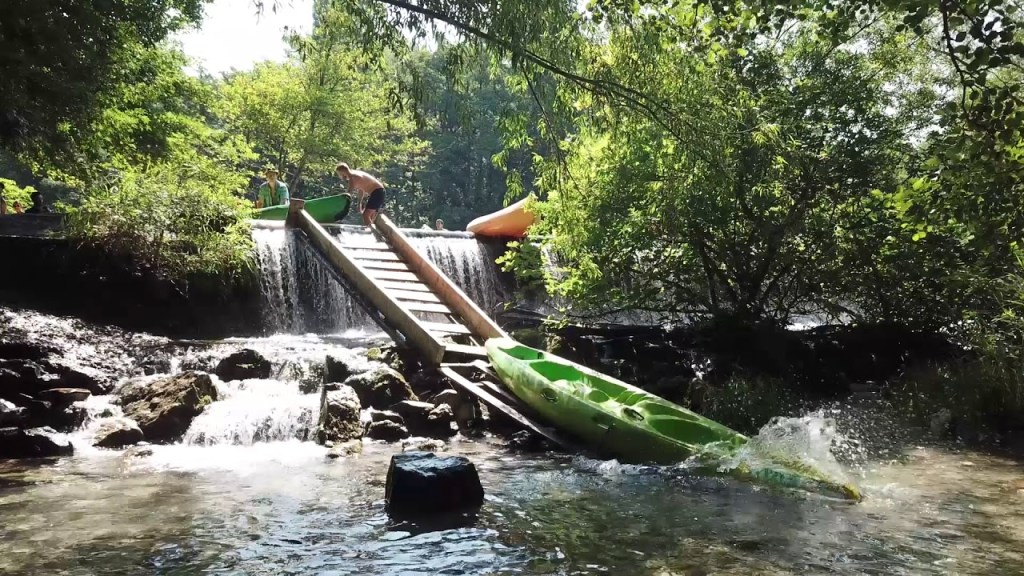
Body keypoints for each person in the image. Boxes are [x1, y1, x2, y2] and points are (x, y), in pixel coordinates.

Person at [335, 162, 387, 227]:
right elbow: (361, 190)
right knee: (370, 217)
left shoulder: (353, 178)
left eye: (339, 174)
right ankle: (373, 231)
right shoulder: (354, 174)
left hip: (377, 192)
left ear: (343, 172)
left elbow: (348, 194)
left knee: (366, 215)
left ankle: (372, 232)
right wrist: (359, 204)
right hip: (378, 192)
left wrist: (338, 204)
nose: (340, 176)